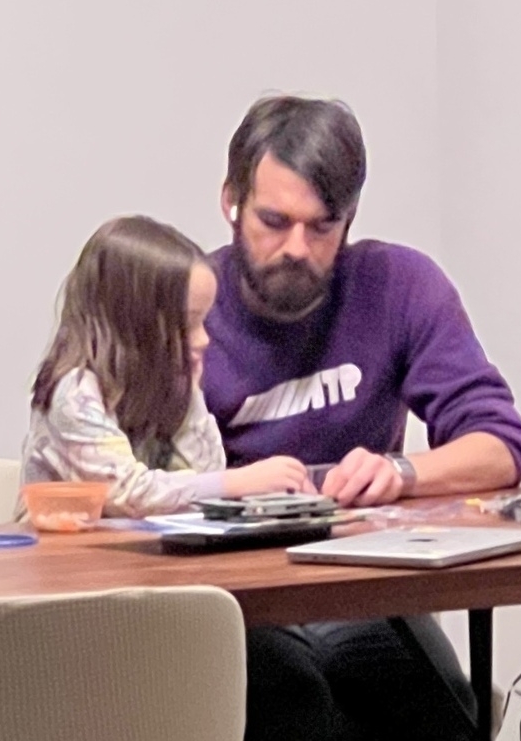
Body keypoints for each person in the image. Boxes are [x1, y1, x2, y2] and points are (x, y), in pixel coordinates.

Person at [201, 95, 521, 741]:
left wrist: (400, 468)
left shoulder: (398, 286)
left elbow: (500, 445)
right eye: (274, 221)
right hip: (227, 606)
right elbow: (132, 477)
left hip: (356, 587)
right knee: (293, 697)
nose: (298, 248)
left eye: (323, 226)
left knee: (445, 708)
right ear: (229, 201)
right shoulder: (188, 301)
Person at [22, 215, 310, 518]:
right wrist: (238, 482)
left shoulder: (165, 386)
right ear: (133, 323)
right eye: (187, 323)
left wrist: (192, 398)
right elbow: (127, 493)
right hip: (62, 557)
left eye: (204, 321)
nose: (203, 339)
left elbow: (206, 472)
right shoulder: (75, 392)